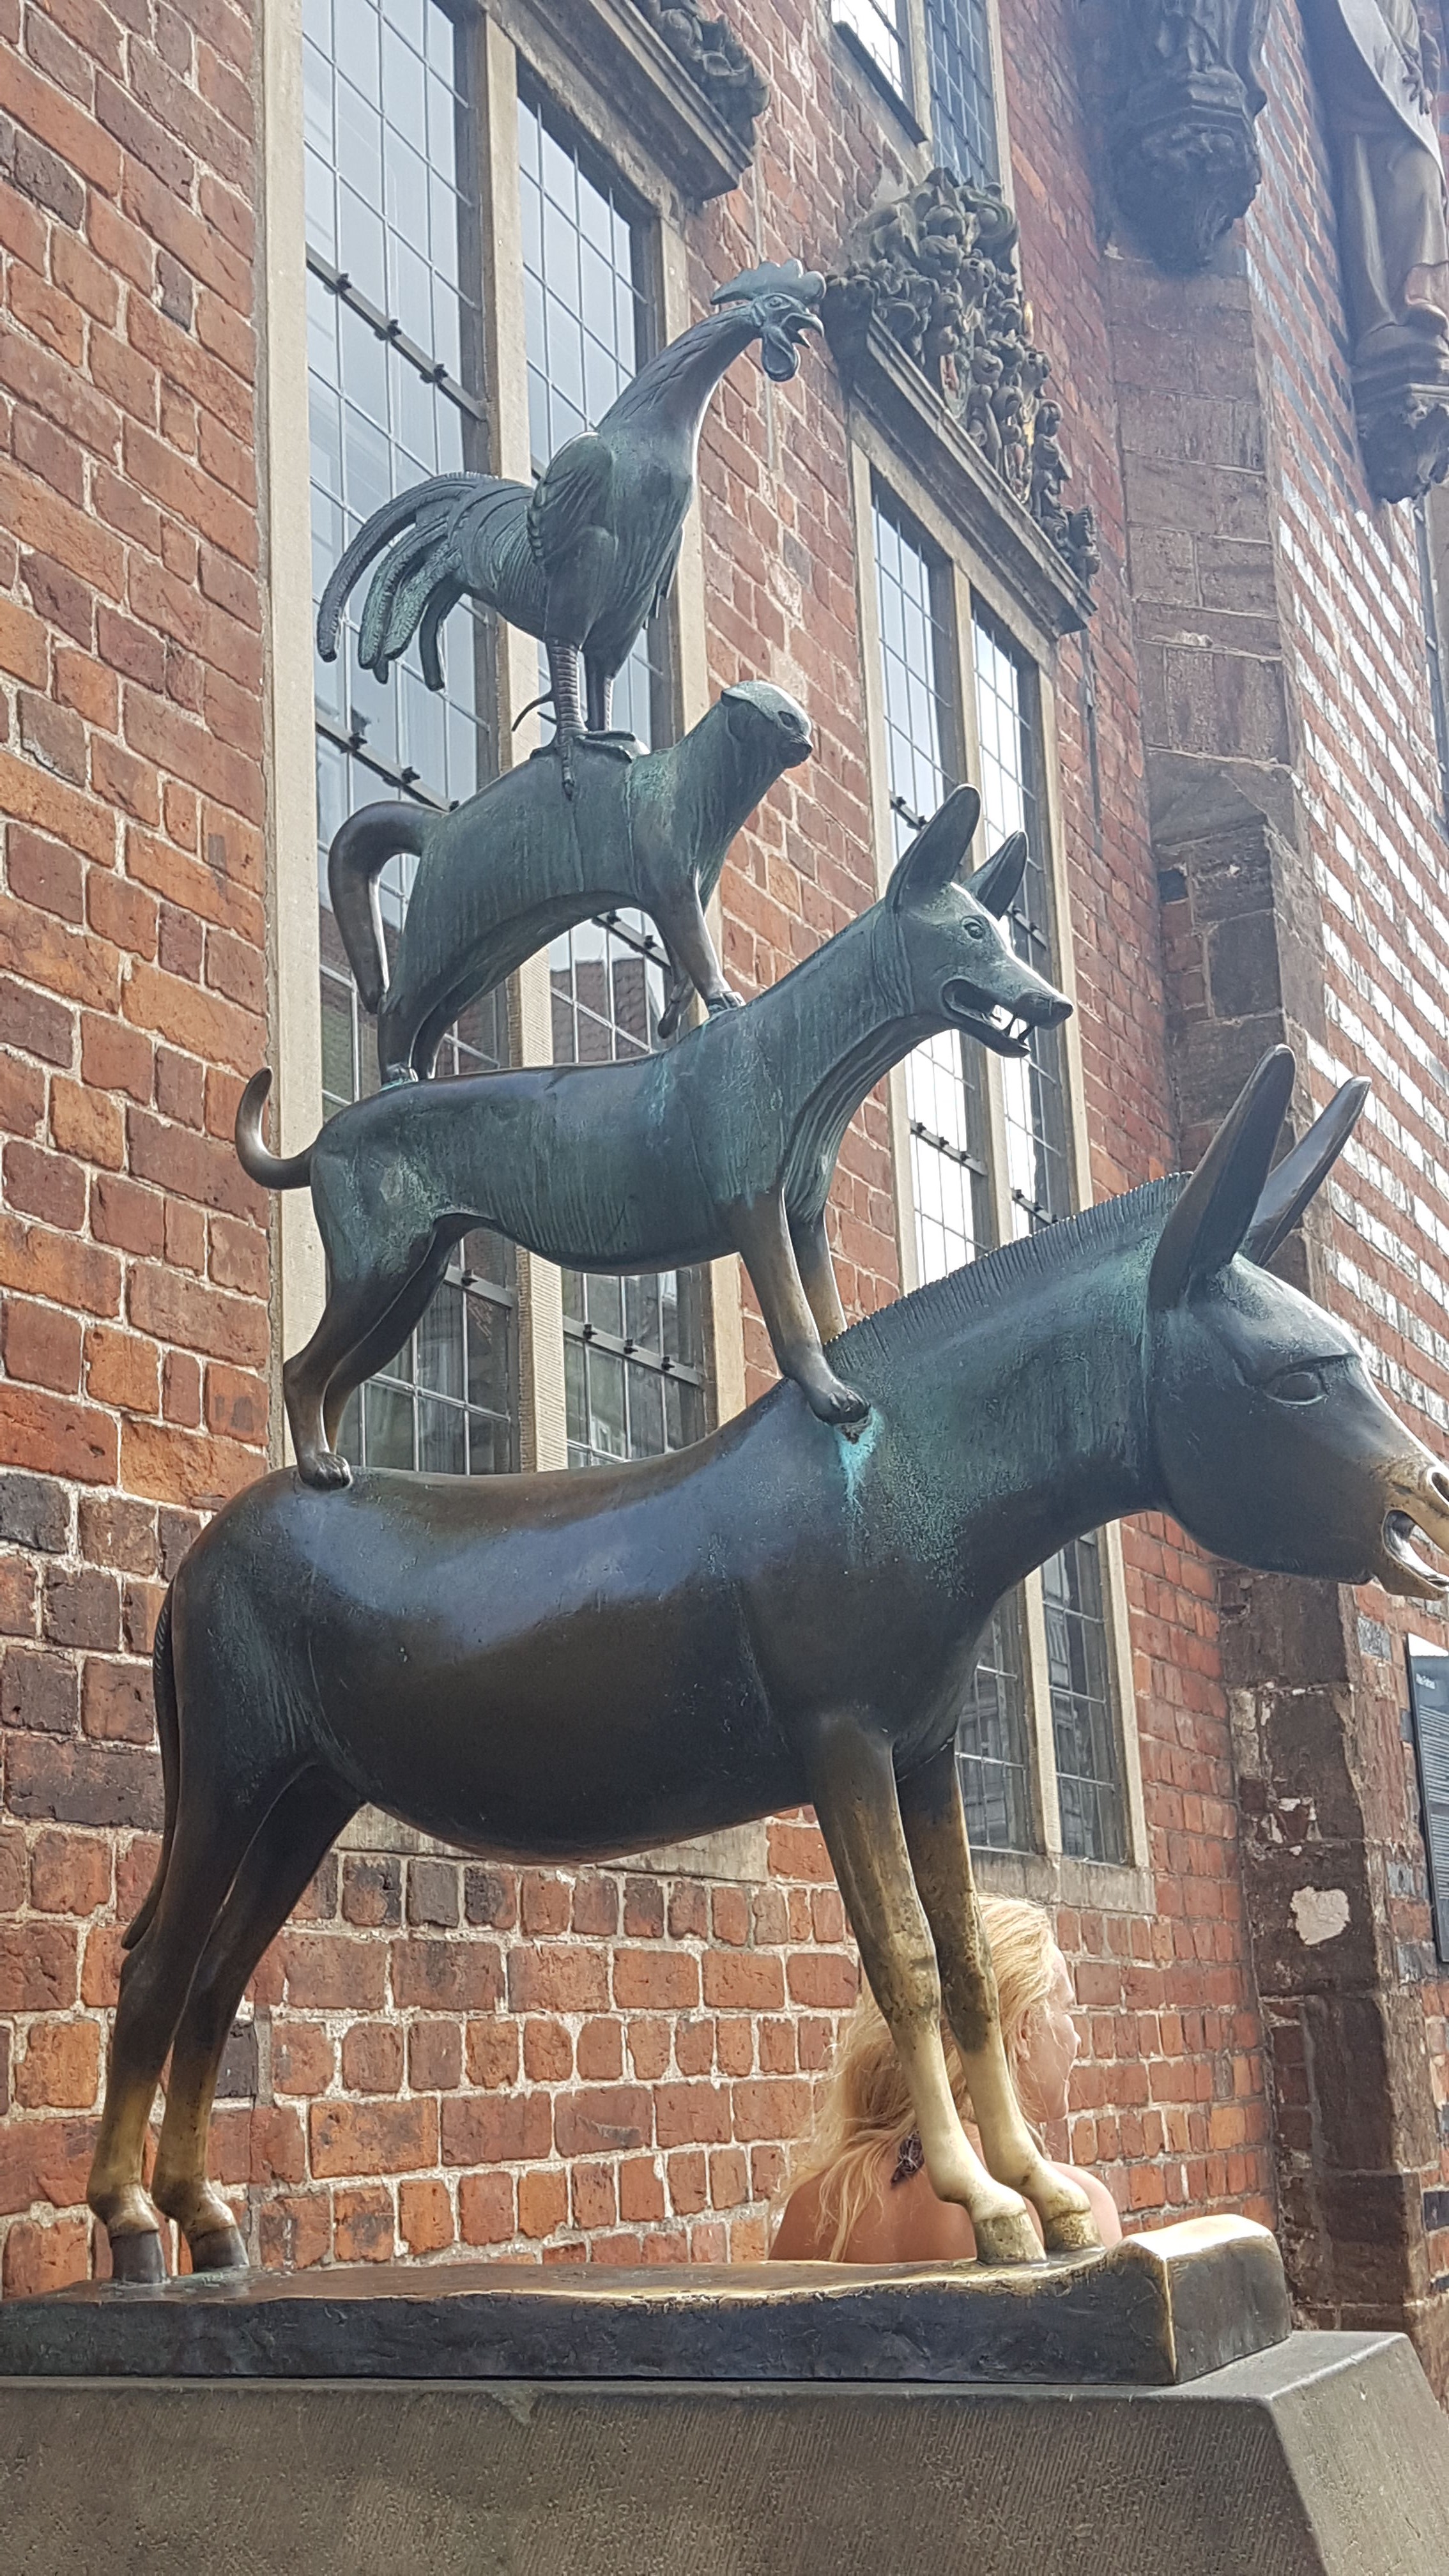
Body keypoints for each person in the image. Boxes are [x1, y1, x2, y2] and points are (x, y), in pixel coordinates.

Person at [770, 1895, 1123, 2263]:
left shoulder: (815, 2208)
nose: (1077, 2039)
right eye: (1066, 2008)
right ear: (1023, 2028)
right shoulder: (1069, 2207)